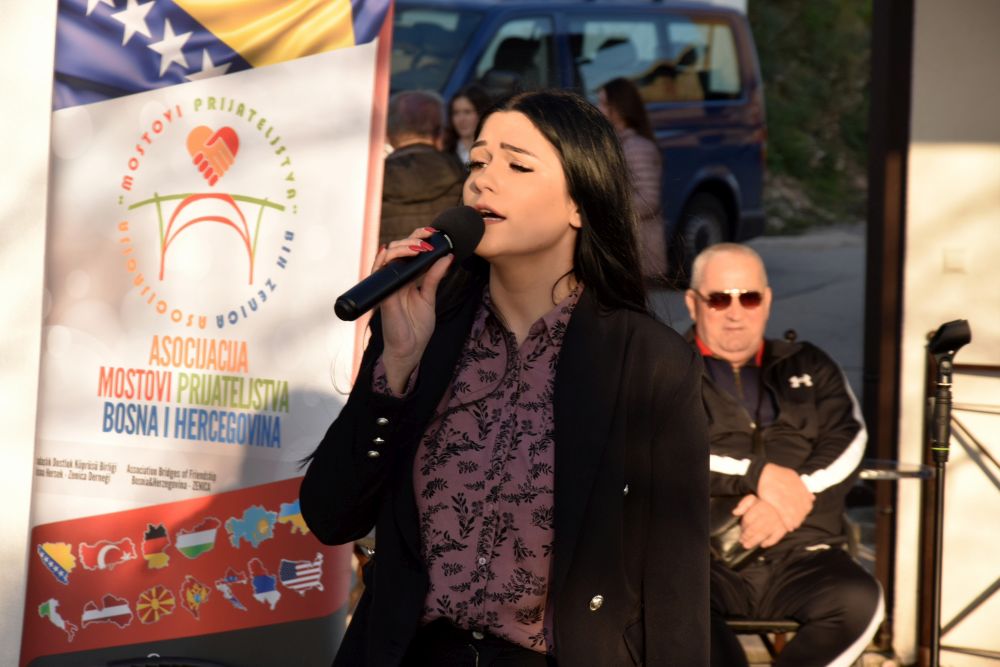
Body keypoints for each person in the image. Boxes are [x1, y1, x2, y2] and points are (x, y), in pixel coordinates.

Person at [301, 90, 709, 666]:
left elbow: (675, 580)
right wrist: (396, 365)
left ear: (580, 202)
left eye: (517, 165)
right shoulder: (426, 329)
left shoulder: (647, 361)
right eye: (477, 162)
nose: (483, 181)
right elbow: (331, 514)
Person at [683, 243, 884, 666]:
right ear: (692, 302)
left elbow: (850, 440)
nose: (735, 313)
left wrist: (789, 499)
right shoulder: (665, 370)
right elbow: (661, 451)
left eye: (749, 298)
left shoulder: (810, 364)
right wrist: (756, 474)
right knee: (666, 607)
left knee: (860, 600)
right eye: (718, 299)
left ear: (768, 301)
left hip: (805, 553)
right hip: (700, 557)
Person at [597, 77, 667, 282]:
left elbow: (649, 200)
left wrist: (606, 210)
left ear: (619, 108)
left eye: (604, 103)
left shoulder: (637, 148)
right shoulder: (617, 145)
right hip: (626, 252)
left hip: (637, 252)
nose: (598, 109)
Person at [379, 90, 465, 247]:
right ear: (440, 132)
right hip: (445, 261)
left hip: (385, 262)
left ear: (388, 132)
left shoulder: (371, 182)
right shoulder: (461, 175)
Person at [442, 84, 493, 165]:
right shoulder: (444, 152)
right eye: (456, 113)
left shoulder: (496, 152)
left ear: (481, 114)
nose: (461, 119)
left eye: (467, 112)